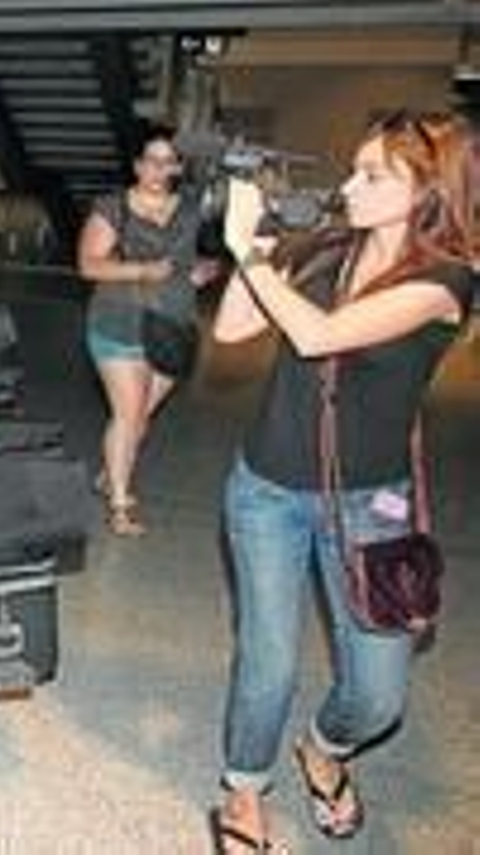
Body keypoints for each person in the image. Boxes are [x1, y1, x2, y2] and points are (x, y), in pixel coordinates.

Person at [209, 111, 475, 853]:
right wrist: (254, 252)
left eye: (373, 175)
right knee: (268, 661)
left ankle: (325, 747)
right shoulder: (326, 246)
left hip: (371, 503)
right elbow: (234, 329)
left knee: (378, 695)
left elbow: (319, 335)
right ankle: (243, 789)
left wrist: (251, 256)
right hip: (266, 487)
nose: (350, 185)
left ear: (427, 190)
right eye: (354, 169)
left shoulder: (447, 282)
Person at [76, 125, 220, 537]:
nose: (158, 169)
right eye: (150, 160)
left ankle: (109, 472)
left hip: (173, 323)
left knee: (139, 416)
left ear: (177, 167)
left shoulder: (192, 209)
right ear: (138, 165)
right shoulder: (112, 207)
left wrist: (201, 273)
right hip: (119, 320)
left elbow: (209, 258)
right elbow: (89, 264)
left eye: (167, 161)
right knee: (127, 413)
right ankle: (120, 502)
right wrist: (142, 269)